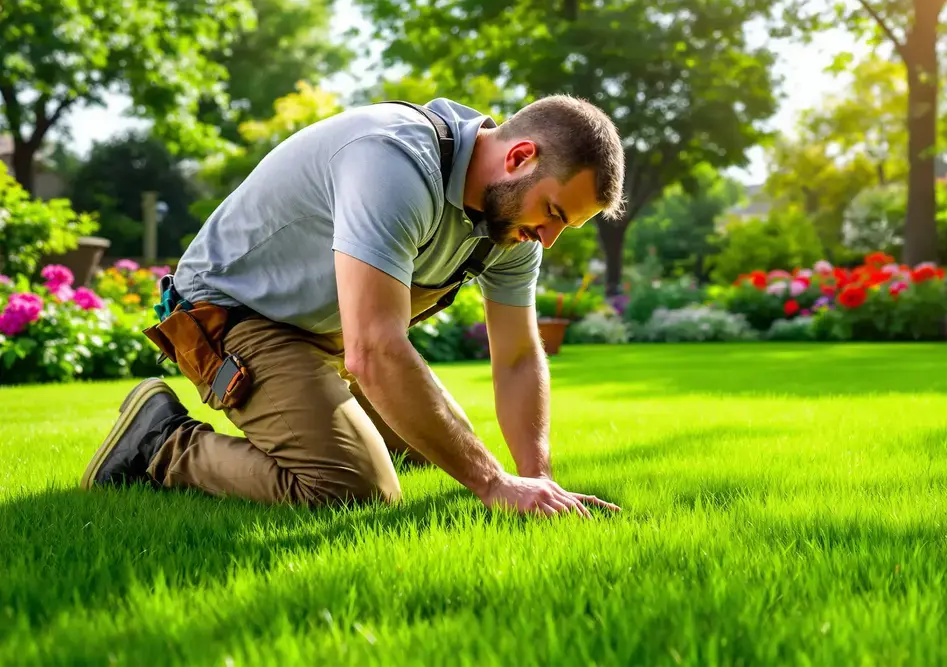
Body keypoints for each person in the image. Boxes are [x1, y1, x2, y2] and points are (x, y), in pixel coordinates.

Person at [79, 95, 625, 519]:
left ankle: (310, 413)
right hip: (234, 317)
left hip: (323, 334)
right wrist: (494, 483)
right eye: (552, 212)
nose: (548, 240)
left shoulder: (508, 226)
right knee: (352, 488)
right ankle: (159, 441)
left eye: (565, 227)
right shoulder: (396, 163)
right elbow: (376, 348)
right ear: (519, 157)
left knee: (428, 443)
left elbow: (518, 358)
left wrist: (538, 478)